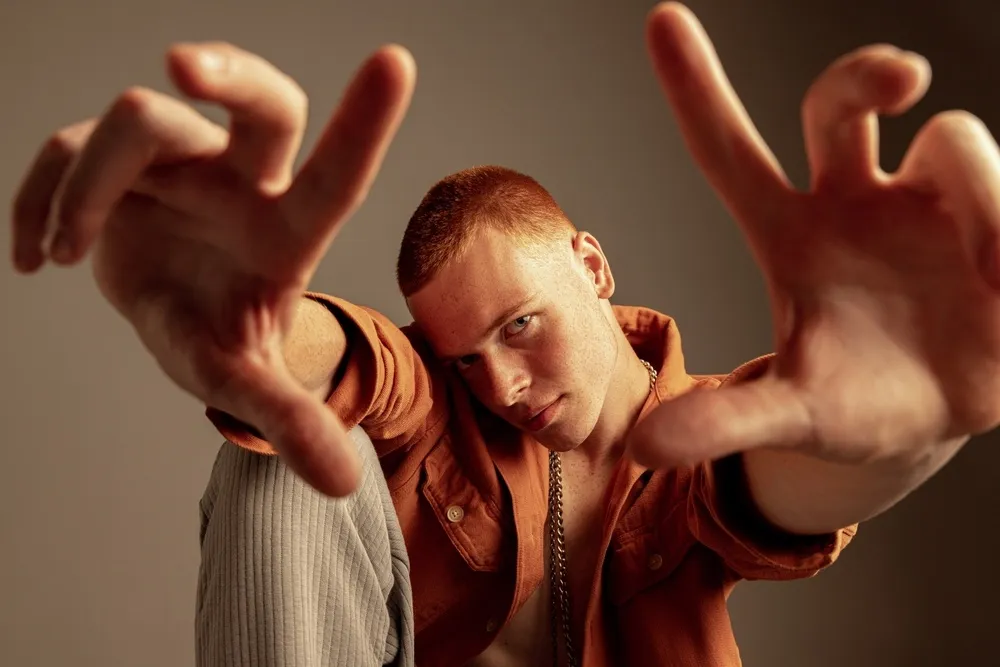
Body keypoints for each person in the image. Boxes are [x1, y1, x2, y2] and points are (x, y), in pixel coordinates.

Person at [12, 2, 1000, 666]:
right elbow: (365, 369)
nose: (503, 386)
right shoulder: (435, 406)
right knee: (287, 448)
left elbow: (786, 477)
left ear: (592, 267)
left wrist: (913, 431)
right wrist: (258, 342)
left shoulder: (706, 438)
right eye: (464, 358)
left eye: (520, 325)